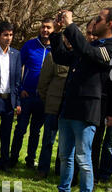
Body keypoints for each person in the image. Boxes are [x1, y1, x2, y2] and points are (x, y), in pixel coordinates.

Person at [44, 8, 112, 192]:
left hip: (87, 110)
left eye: (99, 18)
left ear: (109, 24)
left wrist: (70, 25)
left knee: (83, 157)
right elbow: (60, 57)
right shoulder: (89, 45)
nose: (95, 20)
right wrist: (57, 33)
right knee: (65, 155)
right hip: (69, 107)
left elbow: (89, 52)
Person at [9, 17, 54, 169]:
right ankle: (13, 158)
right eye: (43, 27)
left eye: (48, 27)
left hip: (43, 98)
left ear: (54, 30)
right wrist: (20, 89)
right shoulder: (30, 45)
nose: (45, 30)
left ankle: (30, 161)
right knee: (20, 129)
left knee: (35, 132)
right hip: (26, 96)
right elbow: (16, 68)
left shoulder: (56, 48)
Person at [0, 21, 21, 172]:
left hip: (9, 100)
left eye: (11, 35)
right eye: (5, 35)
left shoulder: (16, 54)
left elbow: (17, 82)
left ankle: (4, 162)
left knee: (6, 134)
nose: (9, 38)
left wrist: (17, 102)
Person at [37, 38, 70, 178]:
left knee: (65, 142)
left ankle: (59, 171)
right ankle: (43, 170)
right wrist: (48, 99)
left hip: (69, 107)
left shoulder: (79, 57)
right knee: (48, 140)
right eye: (67, 38)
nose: (69, 42)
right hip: (53, 105)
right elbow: (43, 82)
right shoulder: (52, 56)